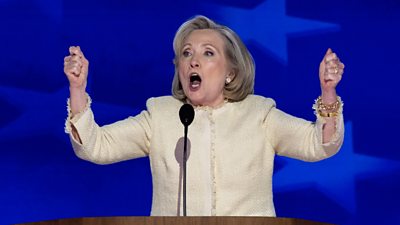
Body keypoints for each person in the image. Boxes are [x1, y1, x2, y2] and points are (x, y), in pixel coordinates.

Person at [63, 15, 345, 216]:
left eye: (207, 53)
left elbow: (318, 144)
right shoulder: (160, 115)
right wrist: (78, 88)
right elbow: (95, 147)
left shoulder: (259, 114)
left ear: (230, 72)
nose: (193, 60)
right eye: (186, 53)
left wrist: (328, 92)